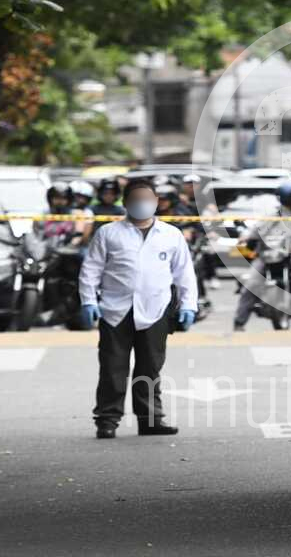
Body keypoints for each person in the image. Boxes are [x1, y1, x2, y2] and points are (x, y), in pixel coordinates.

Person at [80, 179, 197, 439]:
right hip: (115, 310)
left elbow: (184, 274)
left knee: (150, 367)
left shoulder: (171, 234)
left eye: (147, 198)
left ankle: (150, 420)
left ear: (156, 201)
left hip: (156, 309)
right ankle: (107, 420)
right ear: (125, 203)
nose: (142, 204)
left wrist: (189, 305)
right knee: (113, 366)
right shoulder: (109, 233)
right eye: (136, 199)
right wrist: (88, 300)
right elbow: (90, 270)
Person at [233, 180, 291, 331]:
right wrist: (246, 236)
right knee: (251, 285)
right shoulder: (273, 215)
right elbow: (256, 229)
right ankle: (239, 322)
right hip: (268, 256)